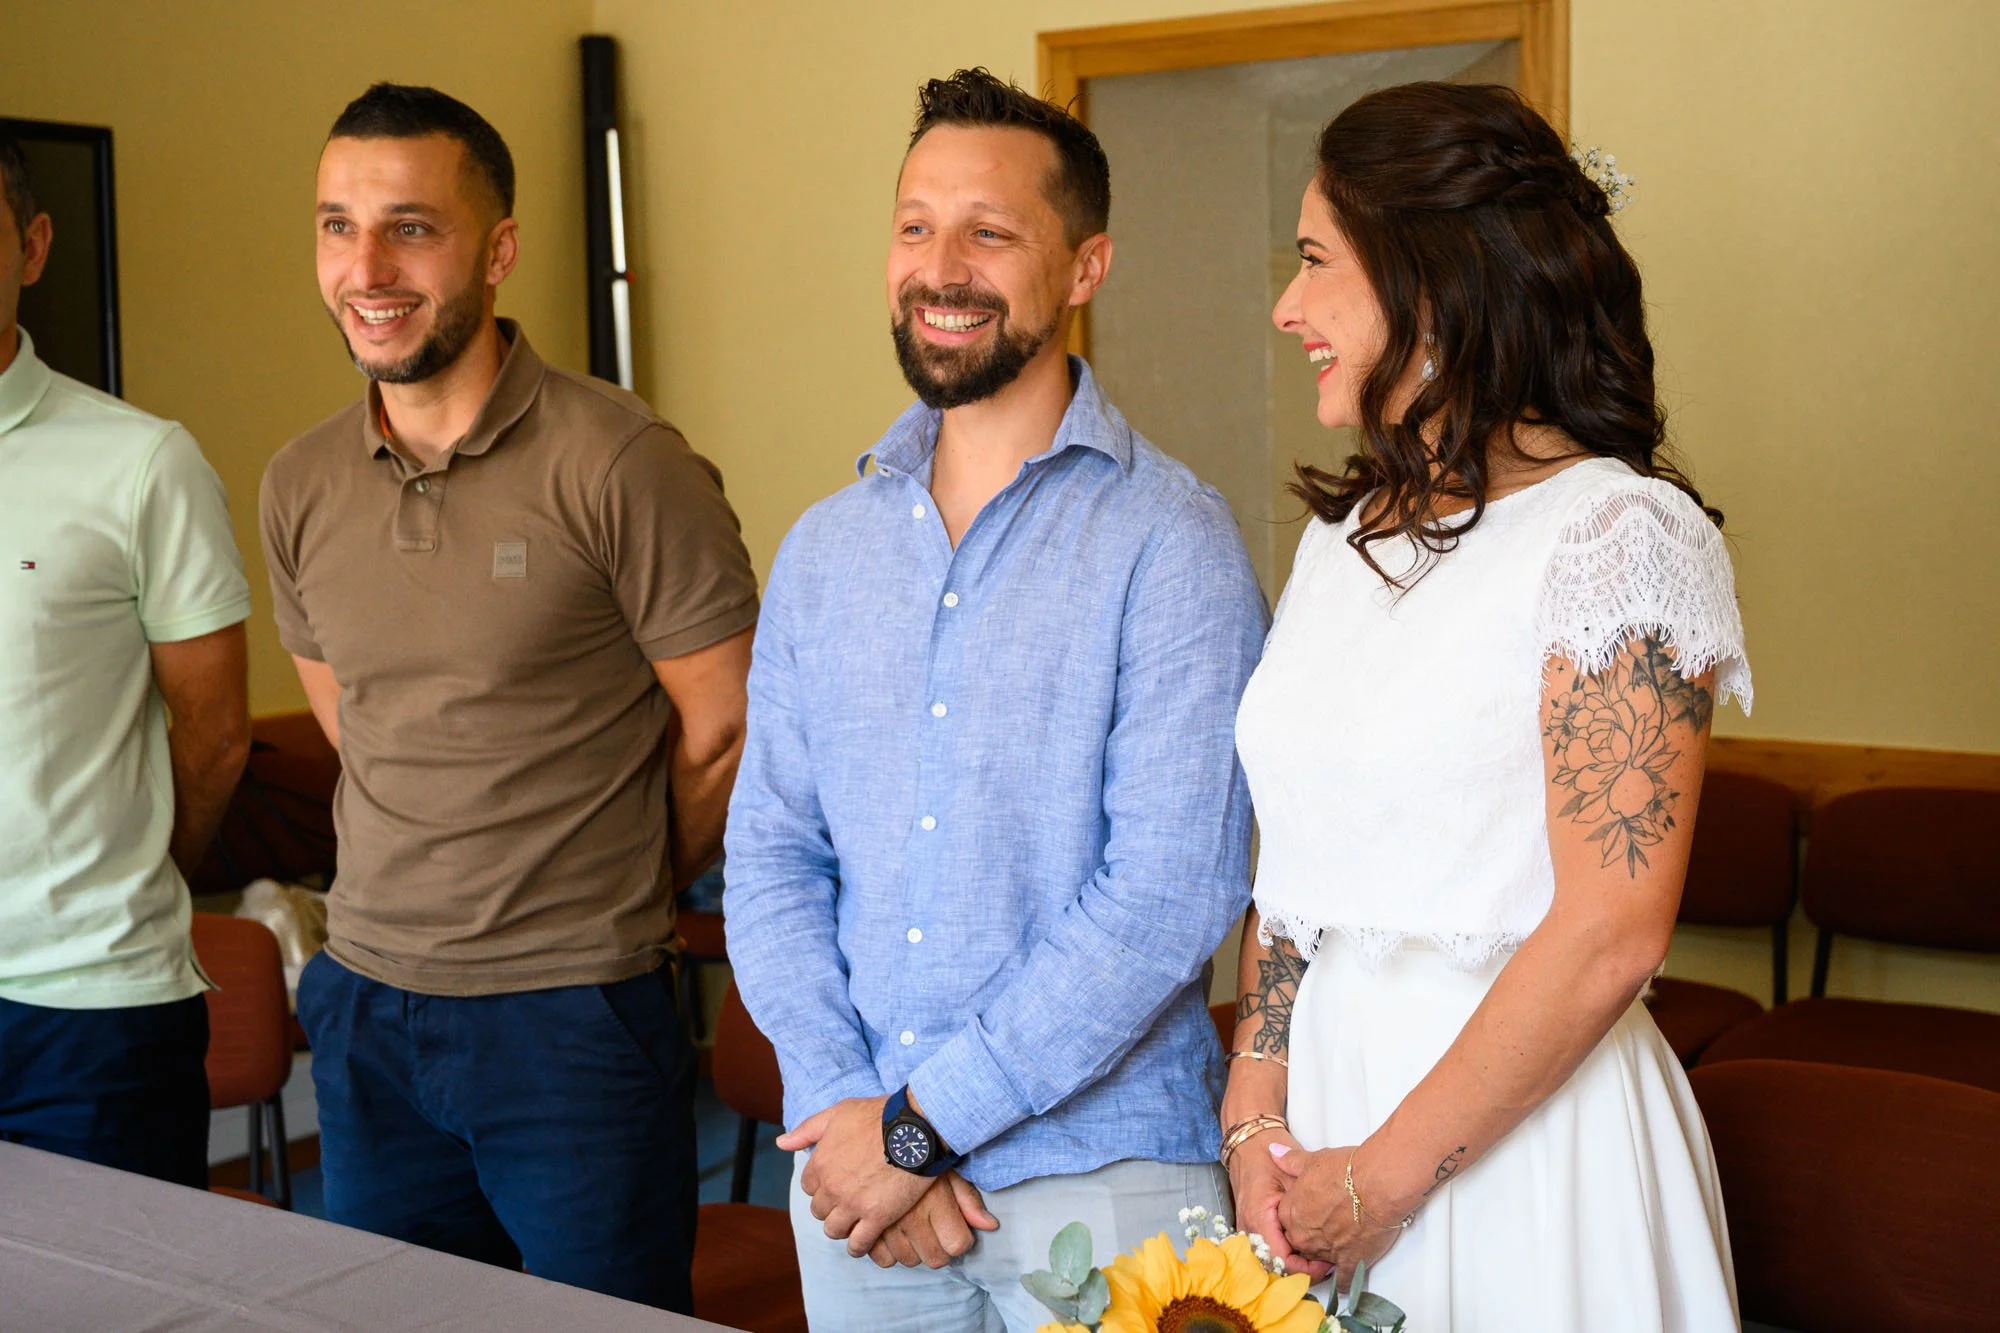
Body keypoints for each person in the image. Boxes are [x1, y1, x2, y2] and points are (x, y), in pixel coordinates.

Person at [724, 68, 1269, 1331]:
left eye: (989, 231)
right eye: (915, 225)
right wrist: (848, 1116)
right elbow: (767, 859)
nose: (940, 266)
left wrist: (923, 1126)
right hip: (855, 1181)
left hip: (1108, 1174)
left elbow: (1170, 892)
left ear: (1084, 267)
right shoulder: (824, 549)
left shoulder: (1171, 541)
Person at [1224, 82, 1747, 1329]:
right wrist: (1255, 1110)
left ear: (1433, 279)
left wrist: (1381, 1178)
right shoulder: (1339, 543)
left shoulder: (1617, 535)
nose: (1284, 307)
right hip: (1323, 1127)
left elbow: (1611, 932)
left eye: (1312, 262)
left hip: (1523, 1146)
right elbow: (1296, 877)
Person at [259, 84, 758, 1312]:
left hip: (569, 1018)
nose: (365, 267)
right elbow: (355, 723)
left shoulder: (622, 460)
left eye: (410, 228)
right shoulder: (298, 483)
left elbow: (730, 725)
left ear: (497, 248)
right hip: (366, 1004)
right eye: (336, 225)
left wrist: (616, 882)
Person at [0, 128, 251, 1186]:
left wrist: (132, 873)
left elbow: (215, 731)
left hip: (89, 1011)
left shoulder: (142, 460)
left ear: (33, 245)